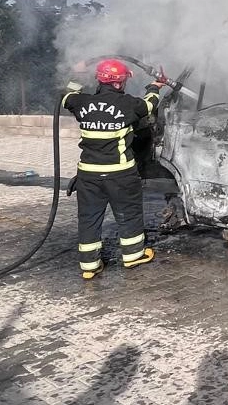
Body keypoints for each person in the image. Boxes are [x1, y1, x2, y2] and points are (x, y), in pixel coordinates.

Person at [62, 59, 168, 280]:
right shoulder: (128, 104)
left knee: (89, 218)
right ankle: (133, 255)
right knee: (128, 213)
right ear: (119, 83)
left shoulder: (82, 102)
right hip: (120, 174)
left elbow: (67, 97)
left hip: (88, 175)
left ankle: (89, 265)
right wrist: (155, 85)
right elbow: (149, 104)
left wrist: (76, 74)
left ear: (99, 79)